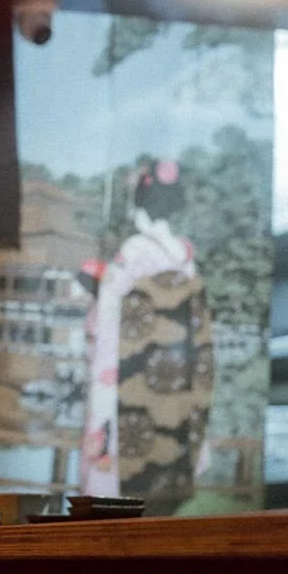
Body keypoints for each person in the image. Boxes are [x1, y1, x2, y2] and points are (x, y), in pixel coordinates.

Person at [79, 159, 212, 511]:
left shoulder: (134, 252)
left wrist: (94, 329)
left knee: (121, 463)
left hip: (132, 368)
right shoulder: (184, 257)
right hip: (172, 370)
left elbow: (107, 320)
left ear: (139, 202)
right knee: (163, 450)